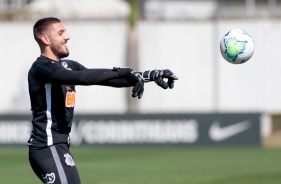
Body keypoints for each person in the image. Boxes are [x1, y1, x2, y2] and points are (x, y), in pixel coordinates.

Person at [27, 17, 178, 184]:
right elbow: (82, 78)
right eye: (61, 33)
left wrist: (146, 75)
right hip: (47, 146)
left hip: (59, 145)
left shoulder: (68, 65)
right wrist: (121, 71)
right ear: (45, 39)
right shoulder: (41, 68)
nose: (67, 36)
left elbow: (105, 79)